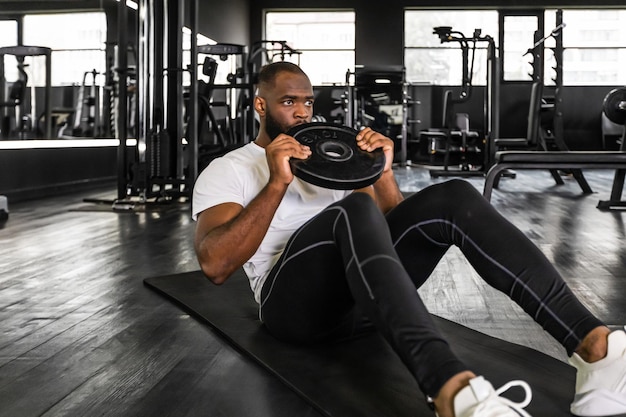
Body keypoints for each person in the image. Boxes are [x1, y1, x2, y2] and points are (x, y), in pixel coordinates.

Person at [192, 61, 626, 417]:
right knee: (353, 209)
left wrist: (380, 172)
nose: (303, 113)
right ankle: (453, 392)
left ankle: (596, 347)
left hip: (364, 303)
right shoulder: (229, 169)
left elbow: (392, 229)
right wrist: (275, 184)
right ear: (260, 105)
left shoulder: (332, 159)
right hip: (295, 312)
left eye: (308, 102)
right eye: (289, 102)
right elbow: (215, 265)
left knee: (454, 194)